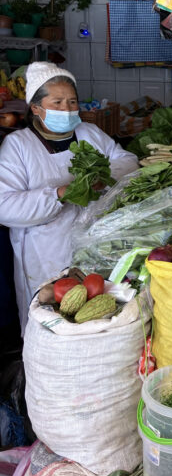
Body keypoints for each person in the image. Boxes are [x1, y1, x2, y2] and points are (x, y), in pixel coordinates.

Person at [0, 62, 138, 333]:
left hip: (96, 245)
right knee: (50, 324)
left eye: (73, 101)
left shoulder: (89, 133)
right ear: (36, 108)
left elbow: (127, 160)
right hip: (45, 253)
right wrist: (59, 194)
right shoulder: (18, 146)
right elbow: (5, 206)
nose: (67, 109)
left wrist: (104, 177)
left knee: (98, 319)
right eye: (58, 102)